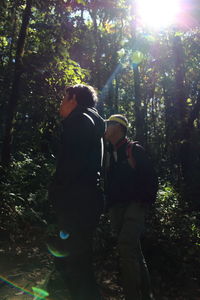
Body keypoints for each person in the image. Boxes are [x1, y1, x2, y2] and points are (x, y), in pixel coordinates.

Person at [48, 84, 105, 300]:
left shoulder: (79, 121)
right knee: (77, 262)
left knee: (74, 265)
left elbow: (71, 165)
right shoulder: (92, 123)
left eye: (64, 99)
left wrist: (56, 191)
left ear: (73, 99)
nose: (61, 105)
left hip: (75, 203)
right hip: (86, 202)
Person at [104, 114, 155, 300]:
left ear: (118, 127)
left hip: (135, 206)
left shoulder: (134, 149)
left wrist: (142, 203)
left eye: (109, 124)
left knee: (126, 247)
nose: (106, 127)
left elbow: (150, 178)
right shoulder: (109, 153)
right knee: (133, 251)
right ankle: (146, 295)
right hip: (117, 208)